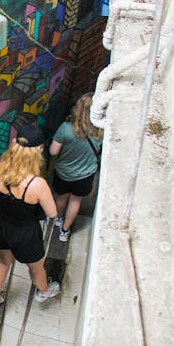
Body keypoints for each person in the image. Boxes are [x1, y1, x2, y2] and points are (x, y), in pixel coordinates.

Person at [0, 124, 60, 305]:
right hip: (25, 233)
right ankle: (43, 291)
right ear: (39, 150)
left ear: (13, 144)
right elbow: (51, 212)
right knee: (35, 266)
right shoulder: (37, 184)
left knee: (2, 261)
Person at [49, 93, 103, 242]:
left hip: (64, 172)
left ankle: (59, 219)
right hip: (85, 175)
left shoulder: (65, 128)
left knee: (62, 197)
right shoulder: (100, 131)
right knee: (75, 201)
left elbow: (53, 151)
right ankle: (64, 231)